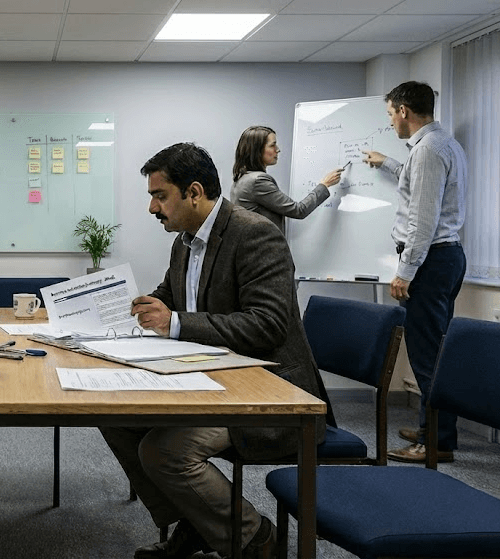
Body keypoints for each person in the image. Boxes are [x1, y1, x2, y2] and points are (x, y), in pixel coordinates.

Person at [99, 142, 332, 559]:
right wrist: (114, 313)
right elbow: (167, 299)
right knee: (115, 418)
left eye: (159, 196)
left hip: (269, 393)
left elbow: (268, 324)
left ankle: (256, 538)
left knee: (165, 451)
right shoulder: (184, 241)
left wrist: (174, 323)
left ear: (193, 192)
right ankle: (199, 525)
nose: (152, 208)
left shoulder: (256, 233)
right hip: (212, 379)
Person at [362, 81, 467, 464]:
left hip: (429, 261)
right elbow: (419, 185)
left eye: (391, 113)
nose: (391, 121)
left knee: (427, 356)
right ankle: (434, 429)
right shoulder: (441, 144)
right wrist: (386, 163)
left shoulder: (427, 151)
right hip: (446, 258)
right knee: (437, 350)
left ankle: (434, 442)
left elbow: (423, 220)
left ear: (404, 111)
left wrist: (405, 272)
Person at [231, 125, 344, 234]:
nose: (278, 150)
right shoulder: (258, 181)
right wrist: (324, 184)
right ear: (257, 150)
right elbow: (299, 210)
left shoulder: (241, 178)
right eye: (272, 145)